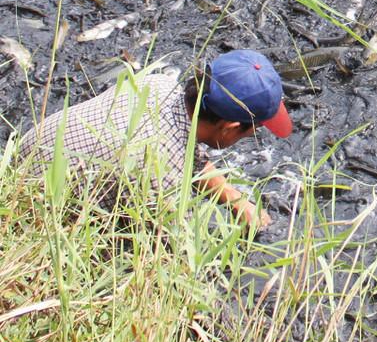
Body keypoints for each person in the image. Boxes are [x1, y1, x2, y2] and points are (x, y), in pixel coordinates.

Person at [21, 49, 292, 233]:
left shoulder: (160, 84)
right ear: (229, 127)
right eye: (252, 131)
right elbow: (168, 261)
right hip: (35, 218)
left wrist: (235, 199)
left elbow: (186, 151)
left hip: (22, 167)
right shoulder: (162, 182)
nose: (251, 136)